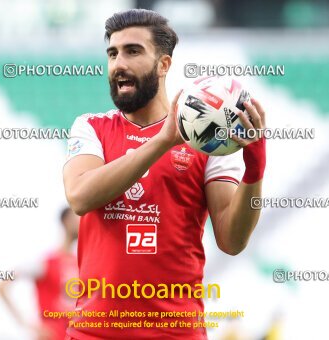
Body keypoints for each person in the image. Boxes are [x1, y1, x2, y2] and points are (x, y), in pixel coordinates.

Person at [63, 9, 266, 340]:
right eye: (112, 54)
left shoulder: (206, 141)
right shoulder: (91, 127)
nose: (118, 64)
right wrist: (163, 141)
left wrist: (255, 171)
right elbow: (81, 197)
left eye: (133, 51)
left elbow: (232, 240)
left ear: (164, 64)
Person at [0, 208, 79, 340]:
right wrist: (25, 324)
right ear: (66, 221)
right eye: (77, 218)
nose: (82, 222)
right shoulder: (45, 263)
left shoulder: (78, 263)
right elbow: (2, 286)